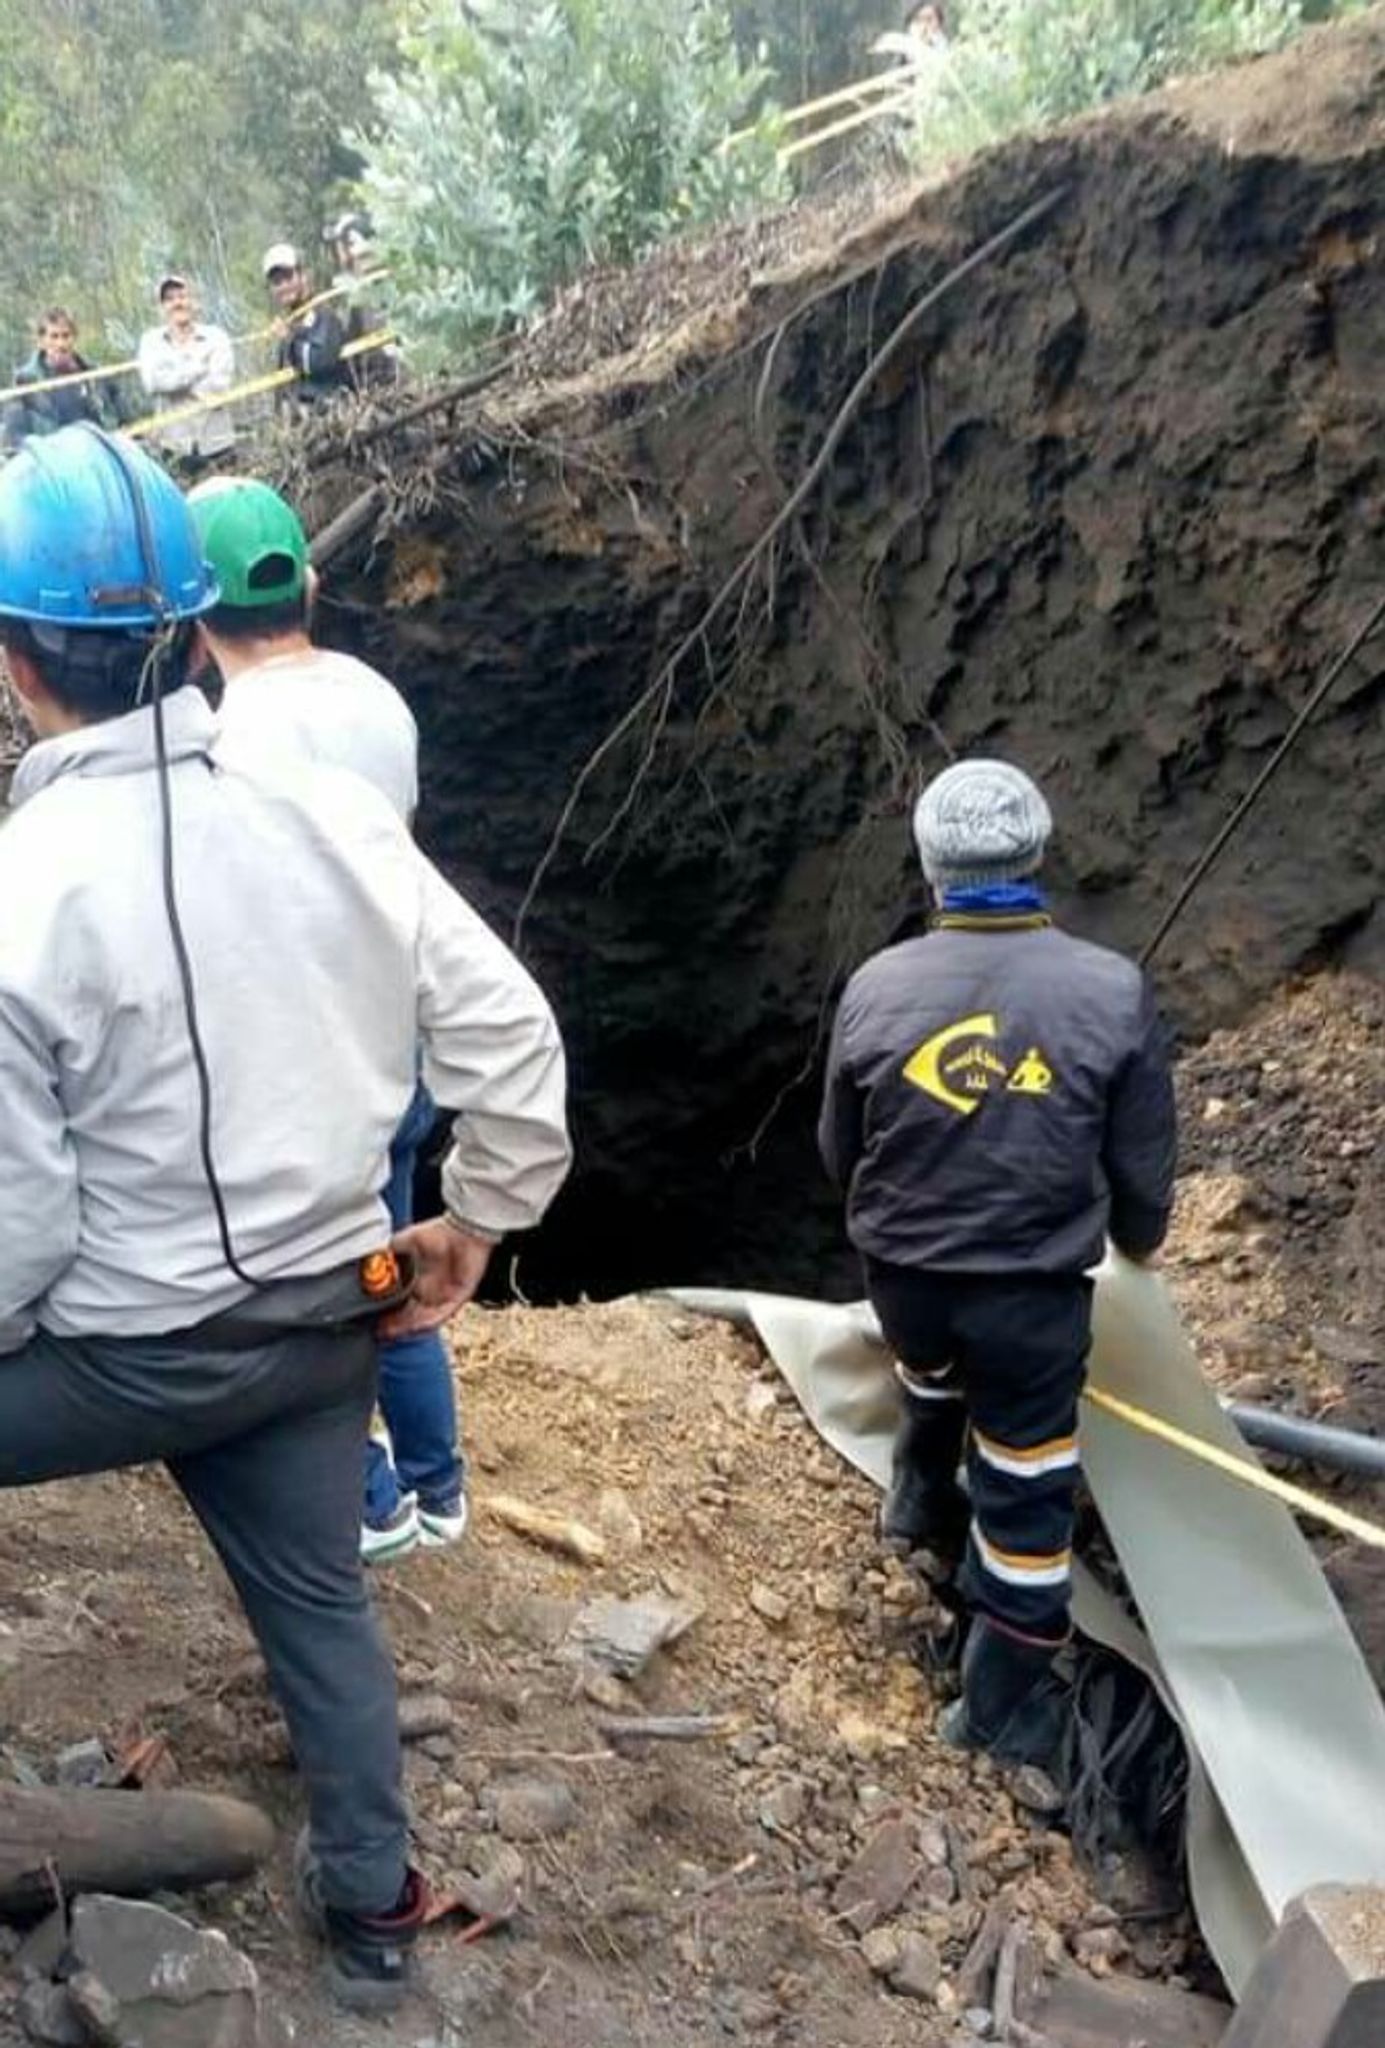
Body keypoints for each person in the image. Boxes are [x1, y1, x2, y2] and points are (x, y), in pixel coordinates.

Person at [0, 424, 571, 2008]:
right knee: (321, 1605)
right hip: (333, 1318)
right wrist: (477, 1218)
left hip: (126, 1349)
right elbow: (511, 1044)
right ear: (190, 635)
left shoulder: (23, 886)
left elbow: (24, 1232)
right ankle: (376, 1921)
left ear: (15, 664)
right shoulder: (330, 808)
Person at [818, 759, 1176, 1770]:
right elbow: (1139, 1174)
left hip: (902, 1277)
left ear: (932, 867)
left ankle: (918, 1493)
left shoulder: (876, 984)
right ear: (1034, 853)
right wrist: (1135, 1241)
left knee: (928, 1369)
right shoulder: (1109, 989)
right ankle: (995, 1704)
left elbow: (838, 1152)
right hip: (1029, 1299)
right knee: (1026, 1482)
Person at [187, 475, 465, 1562]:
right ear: (306, 582)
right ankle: (437, 1487)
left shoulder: (232, 739)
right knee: (387, 1257)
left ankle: (366, 1492)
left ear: (196, 614)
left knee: (310, 1285)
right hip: (398, 1032)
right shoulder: (375, 697)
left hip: (313, 1056)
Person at [135, 274, 236, 468]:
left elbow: (218, 387)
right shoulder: (150, 341)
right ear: (162, 306)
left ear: (194, 301)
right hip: (174, 448)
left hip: (218, 444)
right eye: (169, 299)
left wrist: (172, 379)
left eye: (182, 296)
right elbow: (152, 382)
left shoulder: (217, 337)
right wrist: (198, 369)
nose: (177, 303)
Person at [4, 307, 122, 446]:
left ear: (74, 338)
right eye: (54, 336)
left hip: (97, 454)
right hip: (53, 460)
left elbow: (124, 419)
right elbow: (15, 437)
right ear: (41, 342)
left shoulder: (95, 377)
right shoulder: (25, 383)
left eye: (66, 336)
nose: (61, 344)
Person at [263, 242, 353, 404]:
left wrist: (288, 338)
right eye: (276, 281)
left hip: (333, 413)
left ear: (303, 275)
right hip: (302, 420)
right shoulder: (290, 325)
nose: (284, 286)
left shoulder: (325, 316)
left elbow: (320, 362)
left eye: (288, 276)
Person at [325, 211, 399, 389]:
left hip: (391, 380)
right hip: (373, 385)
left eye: (340, 246)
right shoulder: (354, 297)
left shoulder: (378, 289)